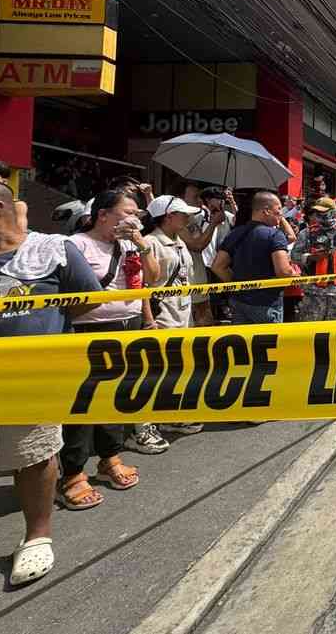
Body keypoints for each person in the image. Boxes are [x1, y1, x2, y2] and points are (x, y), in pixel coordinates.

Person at [0, 180, 101, 586]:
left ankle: (36, 537)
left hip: (31, 380)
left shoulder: (52, 249)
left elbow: (88, 298)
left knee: (34, 457)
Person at [65, 193, 165, 481]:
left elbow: (153, 279)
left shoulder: (130, 244)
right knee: (83, 400)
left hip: (128, 325)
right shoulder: (76, 244)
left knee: (116, 395)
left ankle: (109, 458)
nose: (134, 218)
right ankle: (72, 471)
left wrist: (142, 244)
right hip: (89, 330)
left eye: (137, 213)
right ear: (103, 215)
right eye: (127, 212)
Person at [142, 195, 203, 437]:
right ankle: (164, 416)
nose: (188, 218)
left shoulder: (179, 242)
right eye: (183, 214)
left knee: (180, 364)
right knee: (165, 366)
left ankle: (174, 412)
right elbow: (145, 285)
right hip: (163, 313)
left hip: (183, 311)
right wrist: (149, 320)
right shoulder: (149, 242)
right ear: (169, 216)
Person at [212, 191, 294, 324]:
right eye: (278, 209)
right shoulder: (275, 235)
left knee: (242, 343)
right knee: (267, 343)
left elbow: (217, 266)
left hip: (238, 302)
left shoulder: (235, 233)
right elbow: (284, 271)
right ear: (266, 211)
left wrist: (236, 285)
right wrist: (294, 274)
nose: (281, 213)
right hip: (267, 303)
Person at [291, 198, 336, 322]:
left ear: (333, 212)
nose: (319, 215)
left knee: (335, 330)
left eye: (323, 212)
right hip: (313, 292)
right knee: (311, 328)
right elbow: (294, 255)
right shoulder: (307, 233)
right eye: (317, 212)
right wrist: (310, 257)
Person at [182, 187, 233, 326]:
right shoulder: (182, 222)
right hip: (190, 275)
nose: (199, 201)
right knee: (197, 313)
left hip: (203, 270)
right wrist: (213, 223)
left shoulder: (195, 217)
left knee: (205, 310)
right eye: (195, 197)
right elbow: (198, 245)